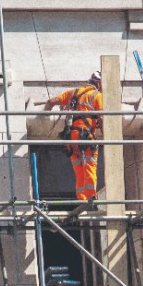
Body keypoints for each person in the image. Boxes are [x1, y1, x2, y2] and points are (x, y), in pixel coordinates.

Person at [44, 70, 103, 201]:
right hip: (85, 136)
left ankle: (81, 198)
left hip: (70, 137)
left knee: (79, 169)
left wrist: (44, 116)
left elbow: (51, 101)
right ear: (99, 84)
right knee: (89, 166)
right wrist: (107, 136)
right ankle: (91, 197)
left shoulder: (73, 93)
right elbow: (102, 118)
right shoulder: (97, 96)